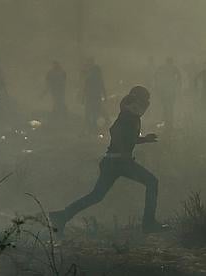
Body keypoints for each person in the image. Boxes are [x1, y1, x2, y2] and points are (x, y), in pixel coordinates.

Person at [51, 86, 164, 233]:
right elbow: (115, 131)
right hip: (119, 162)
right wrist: (124, 153)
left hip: (113, 162)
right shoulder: (128, 115)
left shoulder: (130, 115)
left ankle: (62, 216)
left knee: (96, 196)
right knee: (152, 182)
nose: (145, 104)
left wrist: (144, 140)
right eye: (144, 100)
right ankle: (148, 224)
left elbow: (128, 138)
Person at [155, 57, 182, 127]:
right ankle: (170, 119)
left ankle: (165, 118)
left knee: (164, 104)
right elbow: (179, 76)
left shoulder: (162, 67)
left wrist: (158, 83)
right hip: (171, 88)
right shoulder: (174, 68)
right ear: (172, 61)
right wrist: (177, 83)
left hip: (164, 88)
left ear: (166, 61)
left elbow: (156, 74)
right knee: (171, 104)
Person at [81, 60, 106, 132]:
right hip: (94, 98)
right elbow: (102, 87)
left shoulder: (90, 78)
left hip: (92, 98)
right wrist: (105, 96)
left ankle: (91, 127)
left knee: (90, 113)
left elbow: (85, 89)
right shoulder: (95, 79)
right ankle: (92, 127)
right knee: (94, 113)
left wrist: (83, 98)